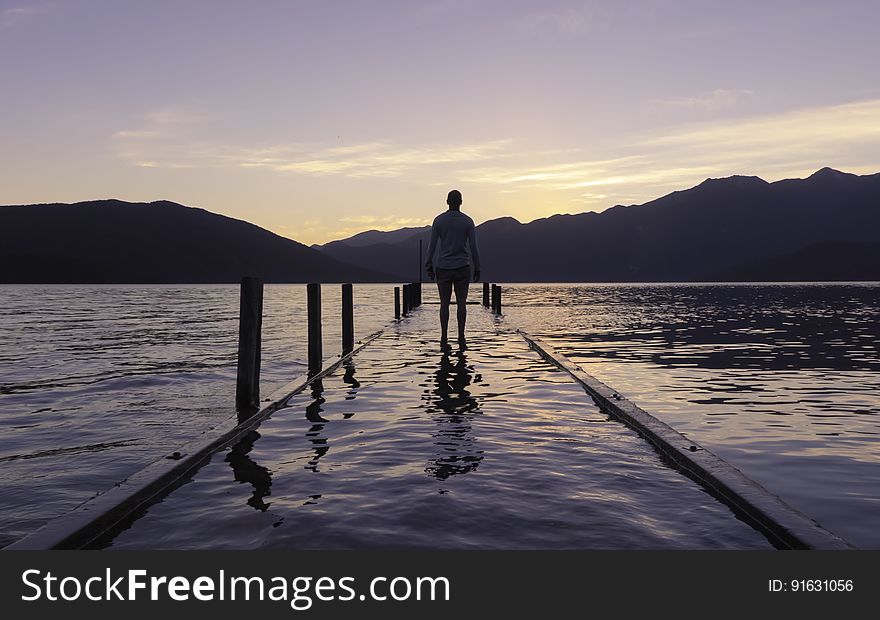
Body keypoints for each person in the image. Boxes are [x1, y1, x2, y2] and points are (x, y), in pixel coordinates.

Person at [425, 189, 481, 349]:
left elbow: (432, 245)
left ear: (447, 201)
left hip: (443, 266)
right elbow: (473, 247)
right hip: (463, 266)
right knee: (461, 303)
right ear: (461, 202)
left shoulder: (439, 221)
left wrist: (428, 265)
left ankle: (444, 337)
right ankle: (461, 337)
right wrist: (478, 267)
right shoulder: (468, 221)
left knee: (444, 303)